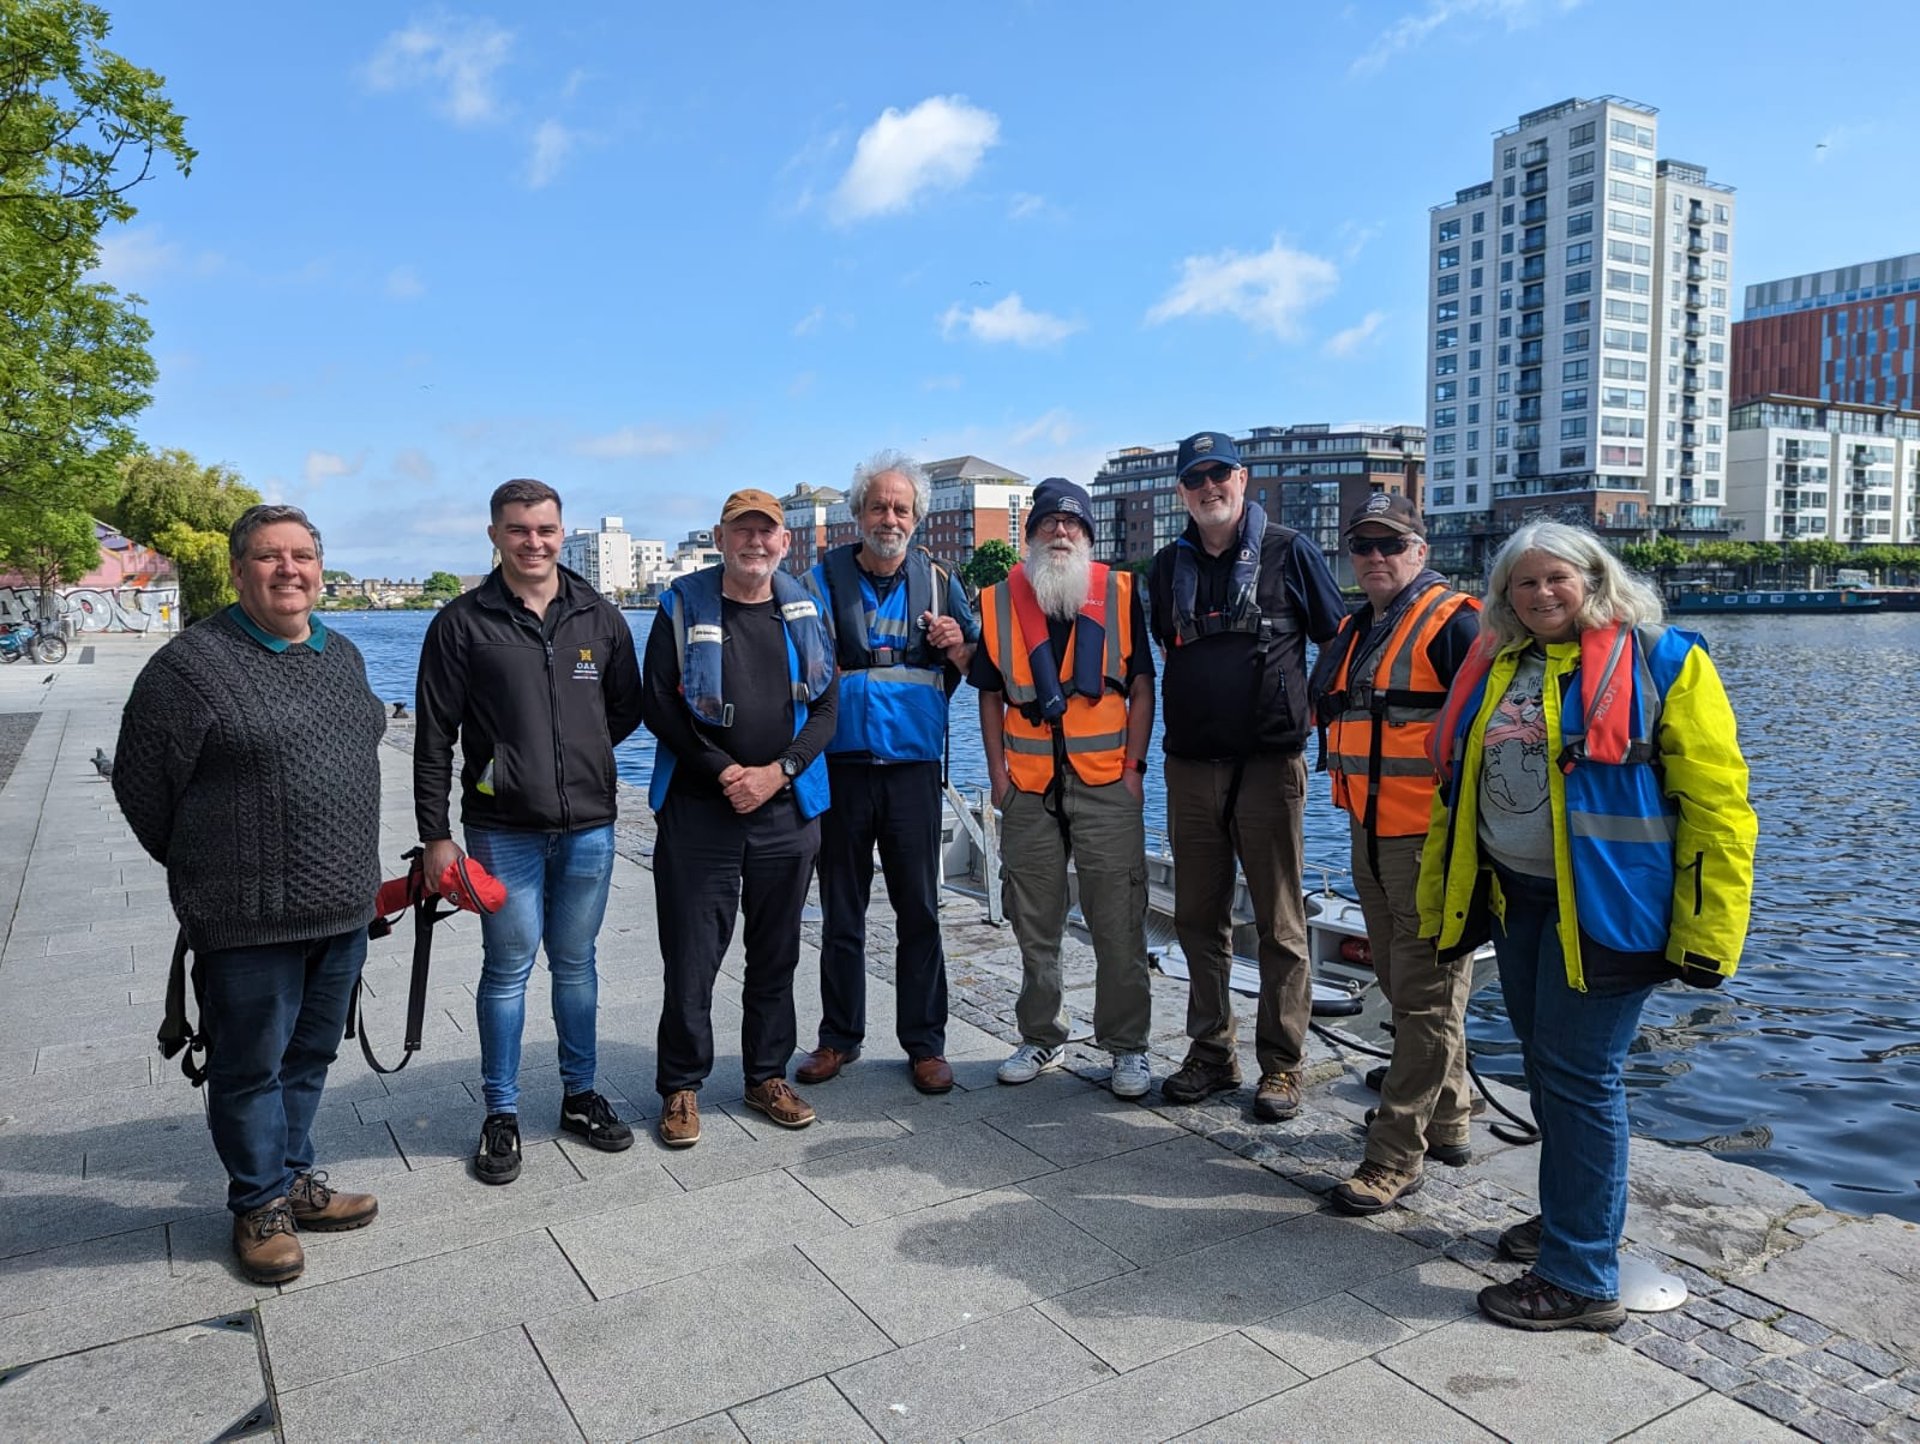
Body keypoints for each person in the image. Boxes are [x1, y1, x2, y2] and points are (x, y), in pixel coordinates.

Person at [1420, 521, 1756, 1330]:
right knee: (1548, 1068)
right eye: (1523, 584)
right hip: (1520, 897)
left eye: (1557, 579)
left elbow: (1719, 806)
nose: (1541, 595)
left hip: (1608, 911)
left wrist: (1709, 934)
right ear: (1504, 597)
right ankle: (1571, 1221)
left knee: (1580, 1077)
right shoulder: (1500, 663)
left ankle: (1580, 1278)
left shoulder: (1664, 661)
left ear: (1595, 579)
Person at [113, 504, 386, 1284]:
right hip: (244, 917)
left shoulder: (345, 655)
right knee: (246, 1067)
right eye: (269, 557)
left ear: (320, 569)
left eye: (302, 555)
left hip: (341, 907)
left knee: (308, 1056)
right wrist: (208, 867)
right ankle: (257, 1205)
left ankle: (294, 1178)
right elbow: (142, 786)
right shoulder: (191, 667)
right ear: (238, 571)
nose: (288, 570)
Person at [414, 478, 644, 1186]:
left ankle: (579, 1096)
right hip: (501, 832)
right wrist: (436, 836)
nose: (533, 542)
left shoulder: (598, 615)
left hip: (587, 831)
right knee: (507, 970)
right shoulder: (462, 623)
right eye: (518, 530)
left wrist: (577, 761)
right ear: (495, 535)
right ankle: (503, 1113)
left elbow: (625, 709)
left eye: (545, 529)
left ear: (561, 530)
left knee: (577, 966)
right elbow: (432, 738)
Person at [1147, 431, 1346, 1120]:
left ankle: (1282, 1065)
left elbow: (1339, 642)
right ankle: (1211, 1053)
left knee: (1281, 924)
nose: (1209, 488)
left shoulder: (1293, 552)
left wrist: (1312, 713)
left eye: (1219, 475)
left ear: (1243, 478)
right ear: (1181, 491)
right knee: (1199, 919)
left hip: (1269, 767)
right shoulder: (1164, 566)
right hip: (1191, 767)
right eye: (1195, 478)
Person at [643, 488, 839, 1147]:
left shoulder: (804, 610)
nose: (756, 543)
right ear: (720, 538)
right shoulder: (680, 605)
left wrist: (778, 772)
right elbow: (659, 710)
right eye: (742, 532)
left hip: (787, 813)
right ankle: (681, 1085)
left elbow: (826, 711)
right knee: (692, 957)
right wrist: (726, 773)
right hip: (702, 812)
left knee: (777, 952)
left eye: (767, 533)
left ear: (786, 543)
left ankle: (765, 1074)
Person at [1307, 493, 1480, 1215]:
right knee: (1403, 980)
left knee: (1427, 995)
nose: (1375, 558)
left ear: (1420, 549)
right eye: (1363, 547)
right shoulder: (1360, 627)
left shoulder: (1457, 624)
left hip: (1430, 843)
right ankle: (1451, 1115)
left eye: (1390, 544)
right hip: (1369, 832)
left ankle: (1394, 1155)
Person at [795, 451, 978, 1096]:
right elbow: (793, 663)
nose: (890, 517)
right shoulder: (818, 583)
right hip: (840, 768)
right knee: (841, 910)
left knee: (919, 911)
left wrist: (960, 642)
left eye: (902, 508)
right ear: (857, 515)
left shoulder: (942, 582)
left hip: (912, 770)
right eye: (879, 506)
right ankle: (838, 1039)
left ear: (917, 518)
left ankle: (925, 1044)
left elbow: (973, 662)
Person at [972, 478, 1155, 1098]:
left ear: (1088, 536)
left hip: (1107, 786)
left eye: (1072, 523)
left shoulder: (1122, 593)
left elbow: (1142, 687)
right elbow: (990, 693)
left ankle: (1127, 1047)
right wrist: (998, 777)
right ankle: (1041, 1033)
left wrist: (1134, 769)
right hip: (1027, 788)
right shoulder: (996, 600)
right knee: (1034, 921)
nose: (1060, 531)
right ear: (1029, 536)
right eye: (1048, 522)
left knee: (1120, 923)